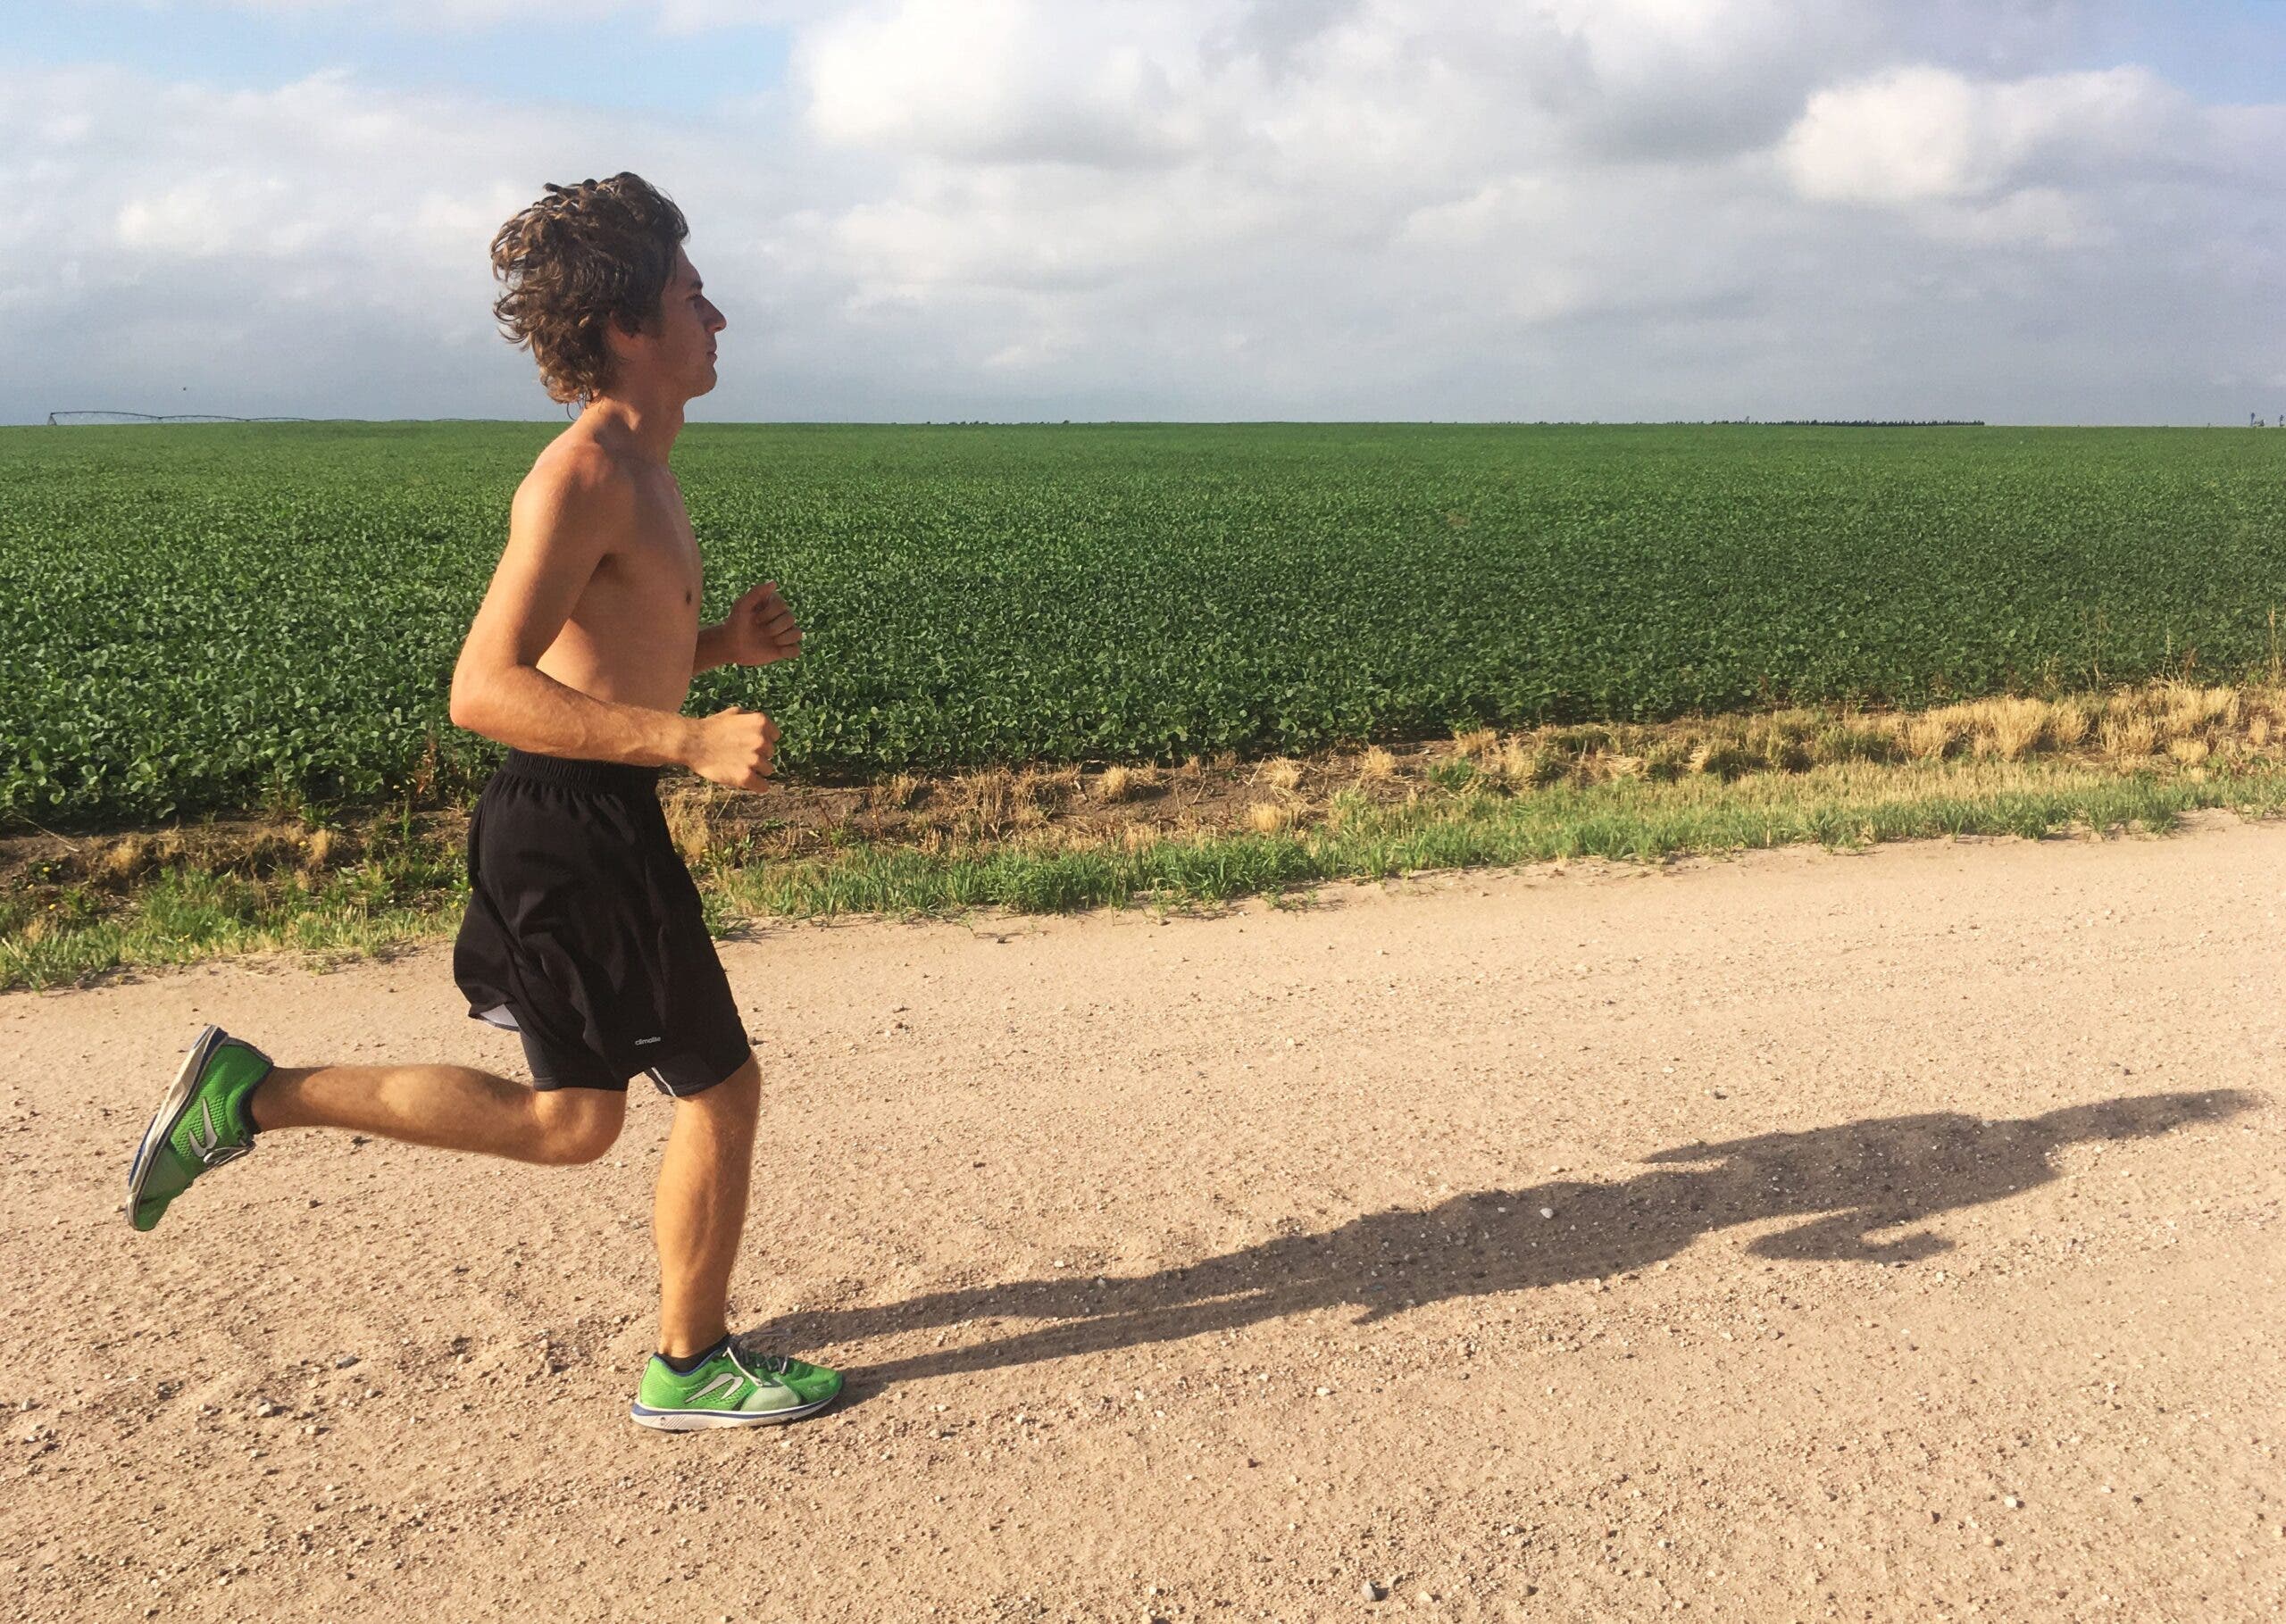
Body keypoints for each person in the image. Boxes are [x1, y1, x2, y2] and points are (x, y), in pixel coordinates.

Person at [122, 172, 841, 1431]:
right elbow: (484, 688)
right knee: (718, 1088)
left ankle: (251, 1094)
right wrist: (685, 739)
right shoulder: (584, 476)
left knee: (572, 1123)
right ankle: (688, 1364)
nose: (718, 315)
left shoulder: (647, 470)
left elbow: (599, 663)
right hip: (570, 826)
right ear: (628, 326)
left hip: (586, 819)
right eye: (692, 294)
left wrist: (718, 648)